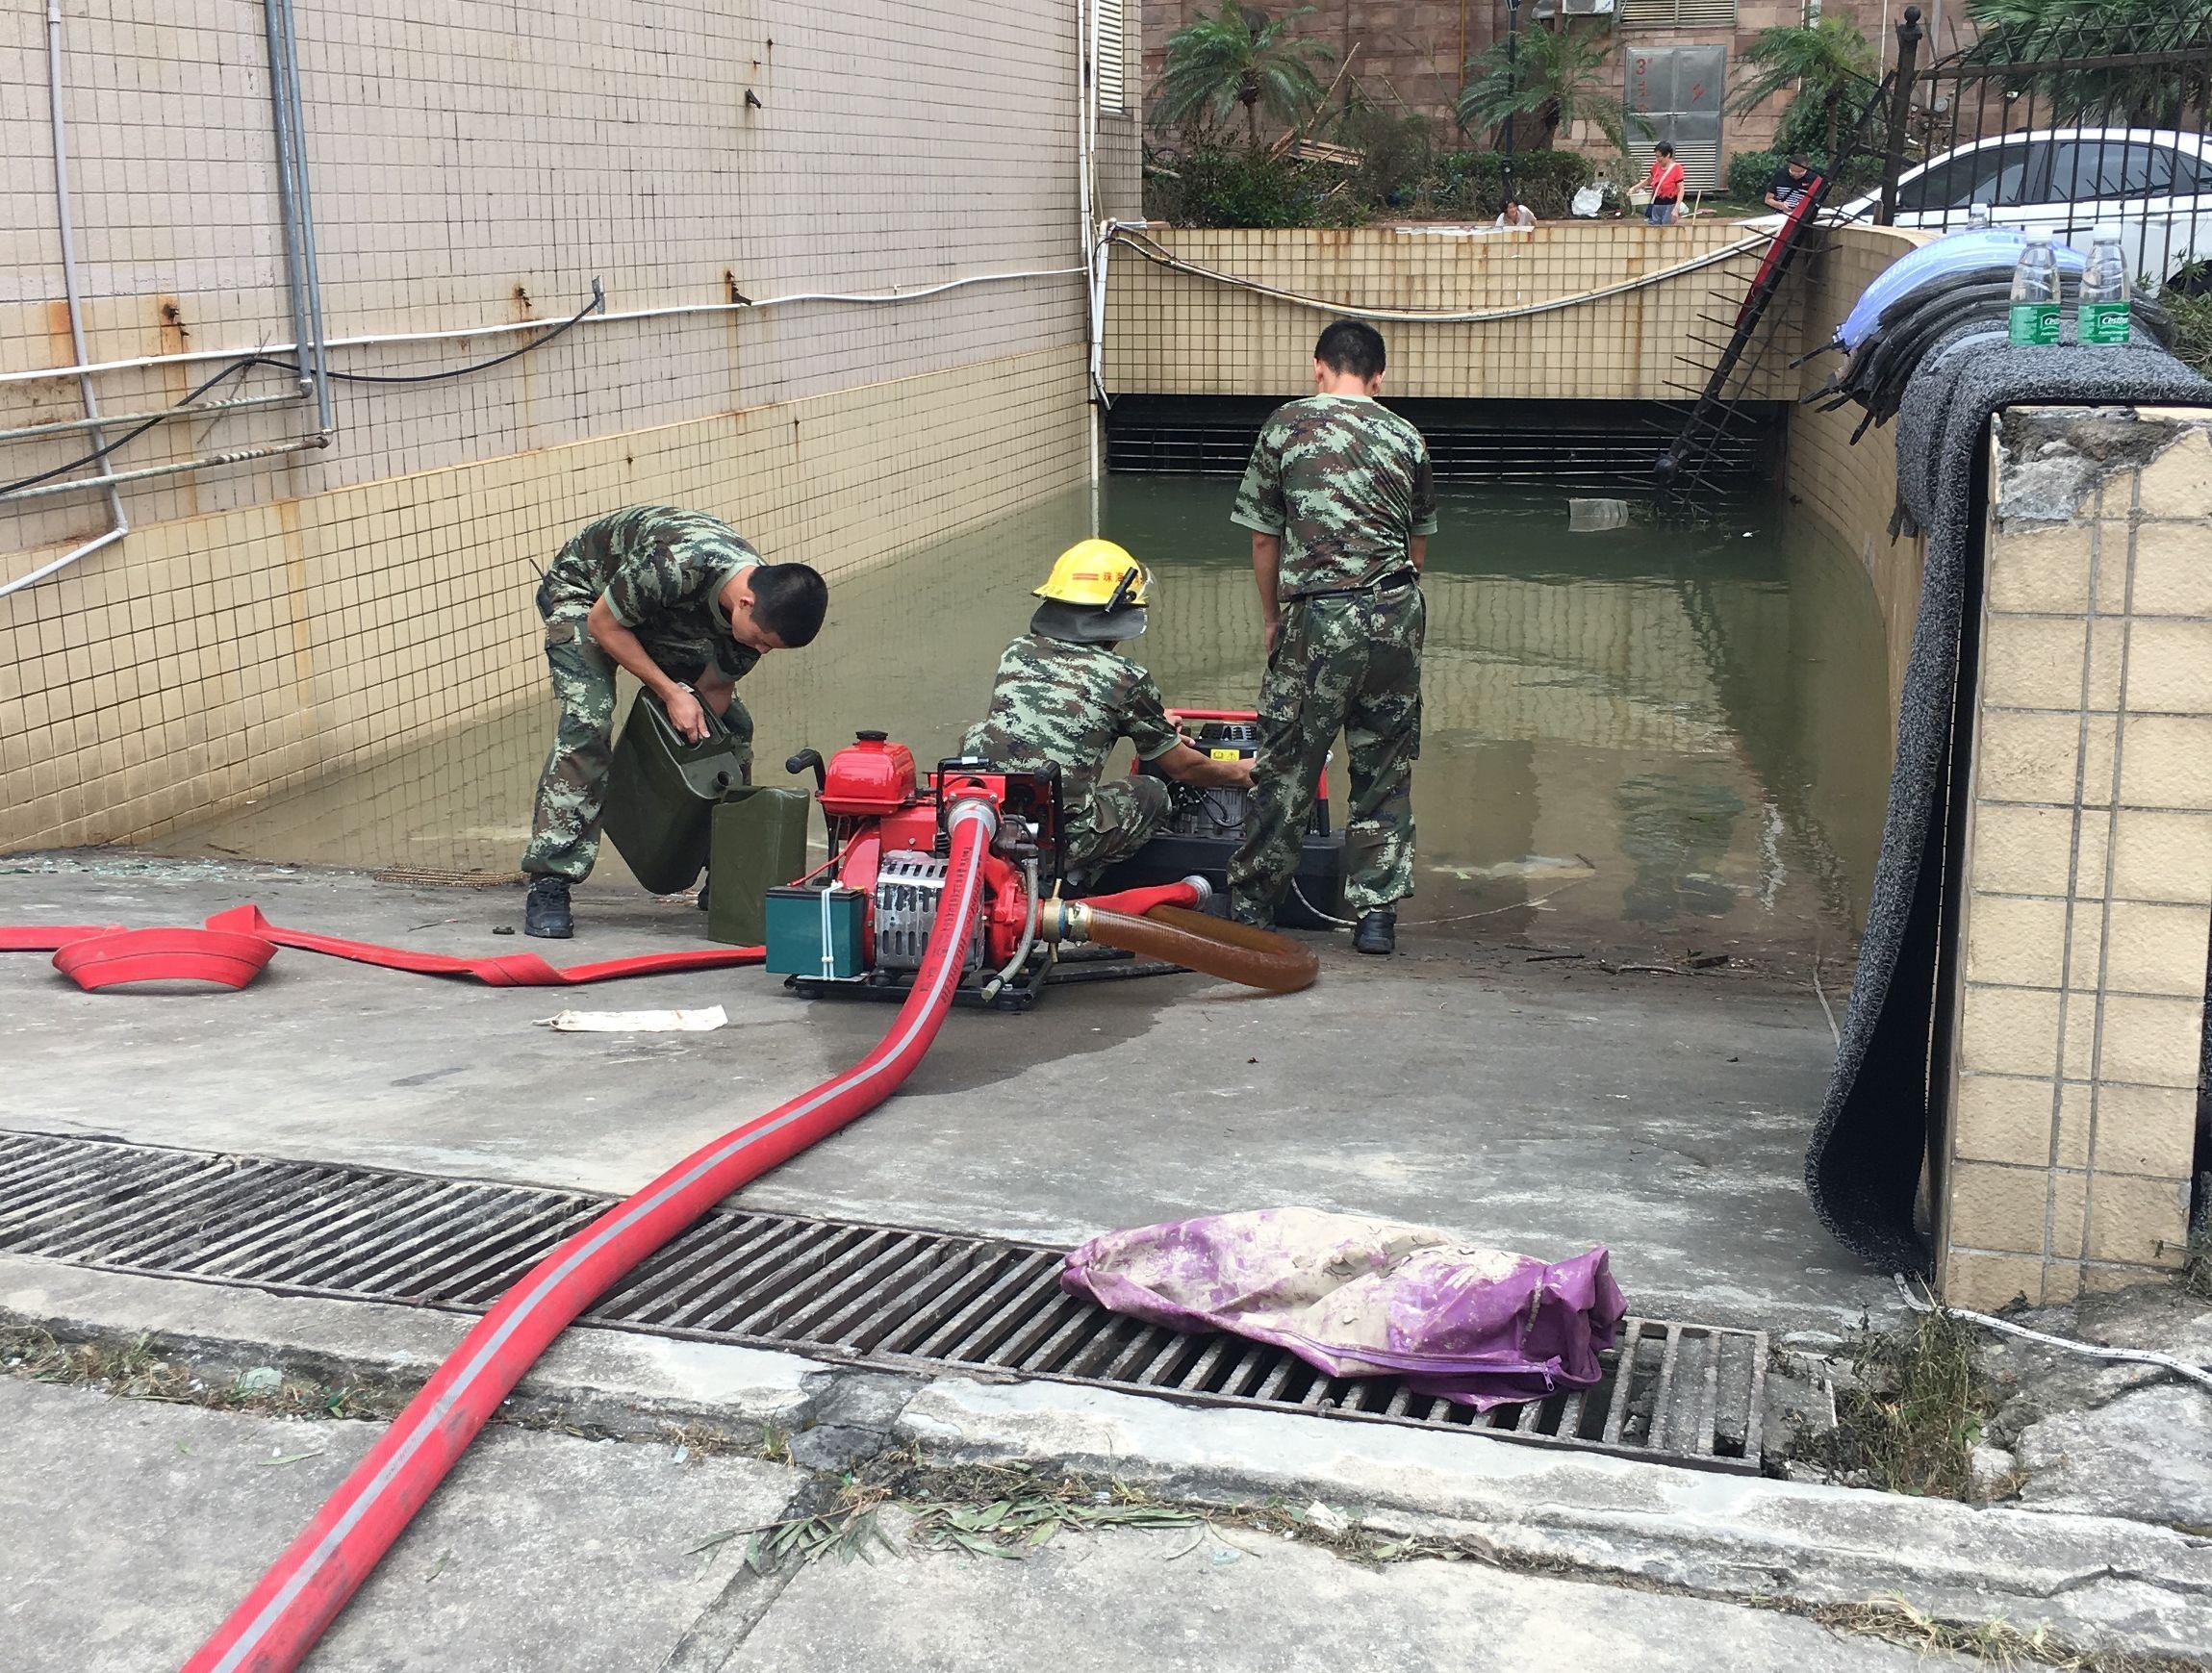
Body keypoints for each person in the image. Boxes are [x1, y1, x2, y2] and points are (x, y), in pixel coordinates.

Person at [521, 505, 827, 938]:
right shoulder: (675, 565)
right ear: (745, 602)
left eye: (770, 647)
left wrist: (691, 747)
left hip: (660, 613)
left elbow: (716, 689)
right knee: (588, 722)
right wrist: (671, 693)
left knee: (731, 733)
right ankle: (550, 879)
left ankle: (721, 867)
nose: (760, 652)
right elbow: (604, 625)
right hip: (587, 596)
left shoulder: (756, 618)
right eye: (759, 640)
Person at [1227, 319, 1436, 956]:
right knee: (1383, 767)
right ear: (1378, 377)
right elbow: (1417, 543)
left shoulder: (1285, 425)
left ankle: (1252, 911)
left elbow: (1264, 538)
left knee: (1287, 764)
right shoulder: (1407, 435)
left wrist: (1273, 617)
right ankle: (1375, 916)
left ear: (1319, 367)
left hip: (1317, 619)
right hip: (1395, 613)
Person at [961, 541, 1252, 877]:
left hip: (992, 823)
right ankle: (1078, 874)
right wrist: (1244, 772)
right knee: (1152, 792)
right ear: (1117, 617)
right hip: (1060, 840)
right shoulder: (1124, 678)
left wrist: (1153, 725)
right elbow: (1184, 769)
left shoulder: (1016, 651)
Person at [1643, 141, 1685, 225]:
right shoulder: (1656, 166)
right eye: (1656, 156)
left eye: (1659, 156)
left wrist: (1676, 208)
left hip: (1669, 204)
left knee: (1666, 229)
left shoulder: (1677, 168)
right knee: (1654, 229)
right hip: (1656, 204)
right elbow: (1649, 180)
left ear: (1668, 155)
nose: (1657, 159)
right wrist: (1635, 188)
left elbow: (1681, 189)